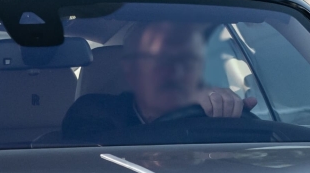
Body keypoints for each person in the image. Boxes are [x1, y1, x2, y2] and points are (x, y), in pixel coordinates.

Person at [58, 19, 254, 143]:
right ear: (132, 68)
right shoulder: (92, 111)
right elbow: (90, 161)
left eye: (188, 60)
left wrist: (230, 118)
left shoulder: (210, 114)